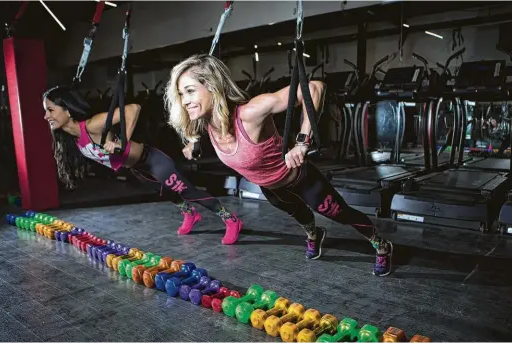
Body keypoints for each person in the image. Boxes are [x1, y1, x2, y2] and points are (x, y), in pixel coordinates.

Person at [164, 54, 394, 277]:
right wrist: (194, 142)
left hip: (300, 179)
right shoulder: (204, 121)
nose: (185, 101)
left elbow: (314, 88)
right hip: (271, 188)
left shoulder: (250, 113)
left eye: (190, 91)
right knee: (300, 215)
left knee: (338, 213)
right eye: (182, 94)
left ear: (212, 87)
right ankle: (315, 234)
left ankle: (382, 245)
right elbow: (197, 130)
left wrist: (303, 142)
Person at [42, 86, 242, 244]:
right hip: (137, 169)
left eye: (50, 110)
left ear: (67, 111)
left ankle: (231, 219)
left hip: (152, 160)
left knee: (189, 192)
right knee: (167, 194)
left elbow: (133, 109)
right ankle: (191, 215)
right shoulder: (73, 139)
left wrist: (123, 140)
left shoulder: (92, 125)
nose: (46, 116)